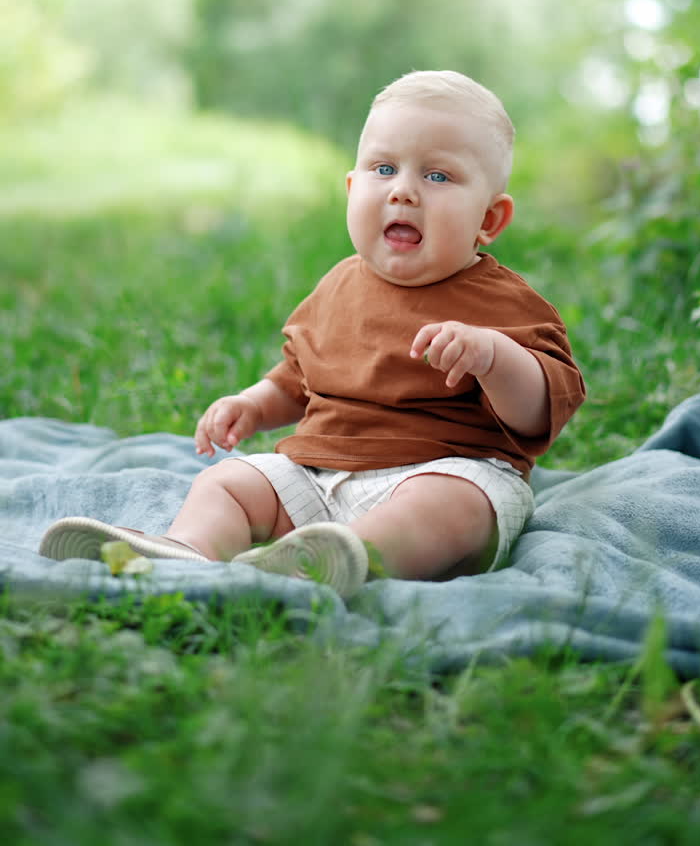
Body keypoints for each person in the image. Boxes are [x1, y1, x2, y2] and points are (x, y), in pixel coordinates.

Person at [40, 70, 585, 600]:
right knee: (228, 483)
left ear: (490, 219)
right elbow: (298, 378)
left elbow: (542, 408)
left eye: (437, 176)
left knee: (452, 507)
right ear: (352, 189)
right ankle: (187, 552)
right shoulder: (337, 287)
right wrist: (253, 405)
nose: (404, 192)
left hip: (446, 468)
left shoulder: (503, 302)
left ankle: (344, 559)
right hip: (322, 475)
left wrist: (495, 358)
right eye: (384, 168)